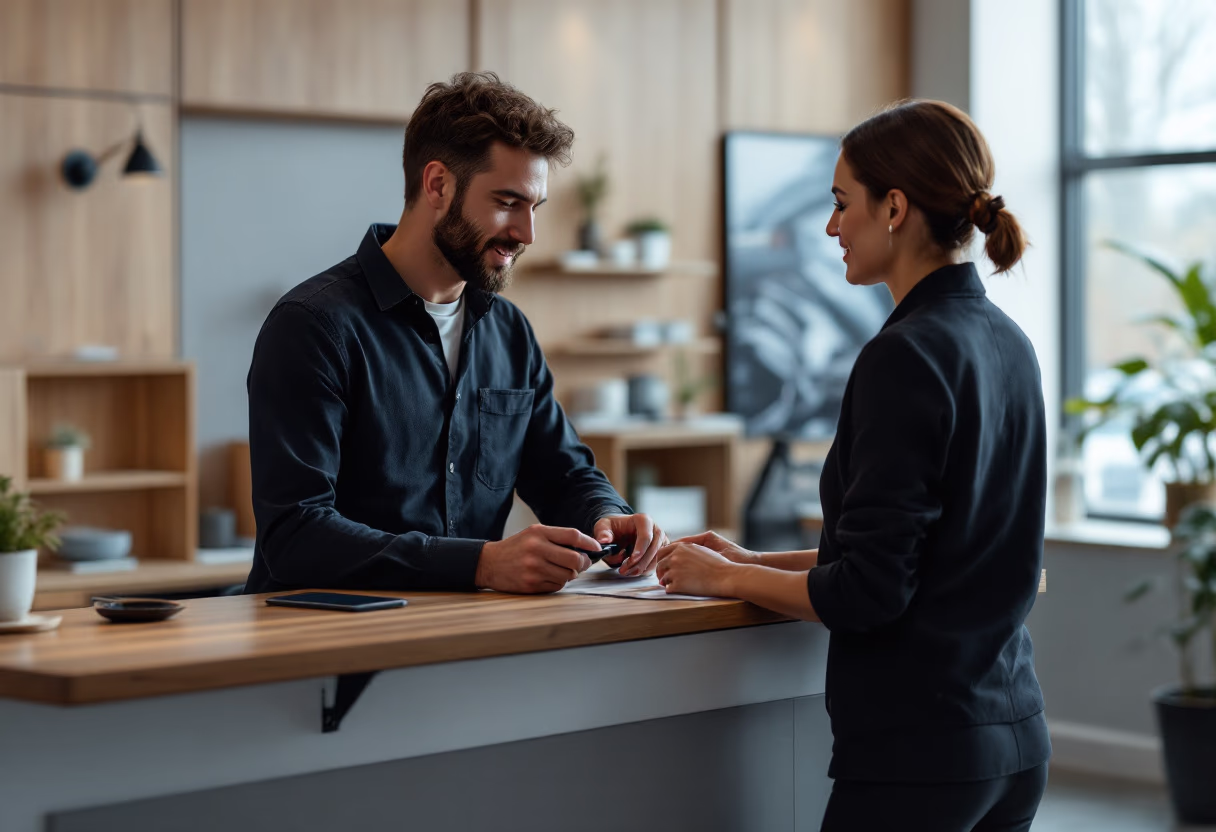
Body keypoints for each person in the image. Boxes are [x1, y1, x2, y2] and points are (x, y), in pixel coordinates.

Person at [656, 100, 1051, 831]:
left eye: (842, 204)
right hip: (1013, 744)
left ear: (894, 206)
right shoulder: (1009, 342)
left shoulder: (904, 355)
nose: (831, 227)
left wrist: (725, 577)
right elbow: (932, 555)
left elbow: (871, 591)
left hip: (919, 760)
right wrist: (755, 557)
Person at [244, 72, 665, 596]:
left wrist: (608, 515)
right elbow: (295, 535)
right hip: (324, 648)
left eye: (534, 208)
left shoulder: (508, 332)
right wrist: (480, 565)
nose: (527, 234)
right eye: (508, 202)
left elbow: (560, 472)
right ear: (438, 185)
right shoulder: (313, 326)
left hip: (461, 644)